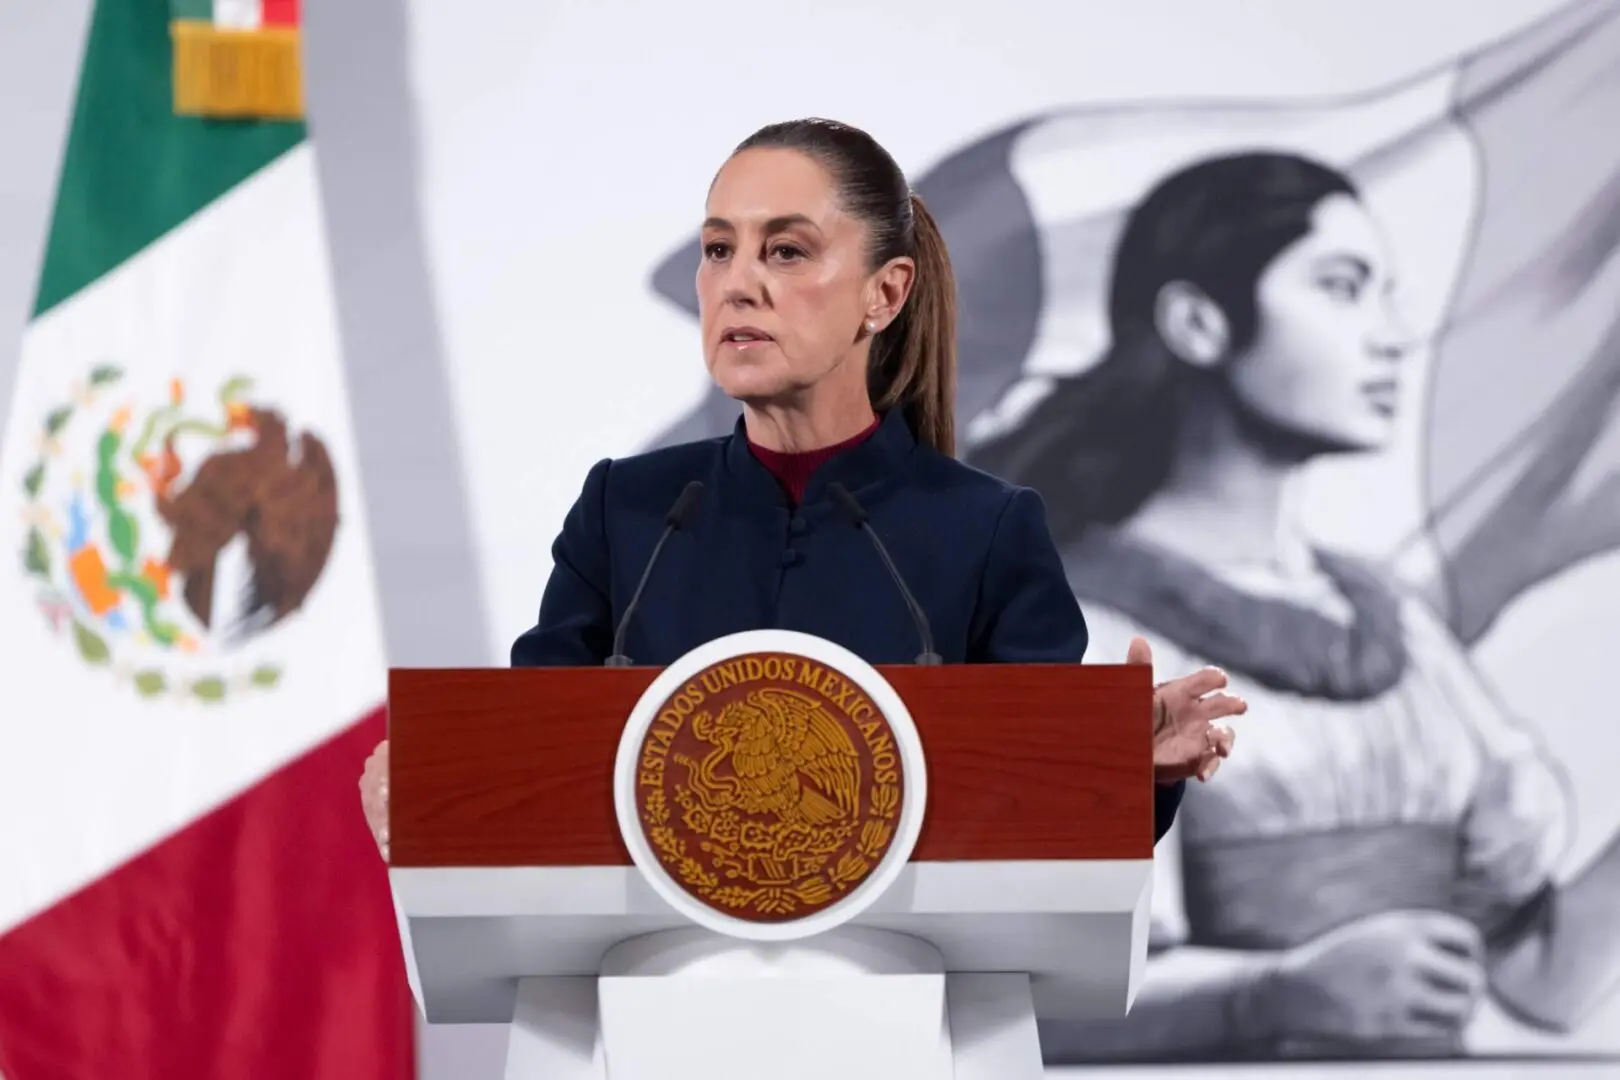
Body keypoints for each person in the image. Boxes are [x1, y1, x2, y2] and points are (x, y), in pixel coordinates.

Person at [359, 117, 1242, 859]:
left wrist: (1133, 776)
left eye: (785, 250)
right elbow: (526, 772)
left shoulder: (986, 530)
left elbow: (1040, 821)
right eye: (718, 249)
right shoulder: (626, 514)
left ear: (884, 294)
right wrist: (436, 791)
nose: (737, 282)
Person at [967, 151, 1620, 1059]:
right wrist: (1273, 997)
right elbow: (1033, 1004)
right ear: (1199, 322)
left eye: (1387, 293)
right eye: (1343, 287)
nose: (1391, 335)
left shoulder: (1395, 627)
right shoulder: (1079, 633)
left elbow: (1539, 982)